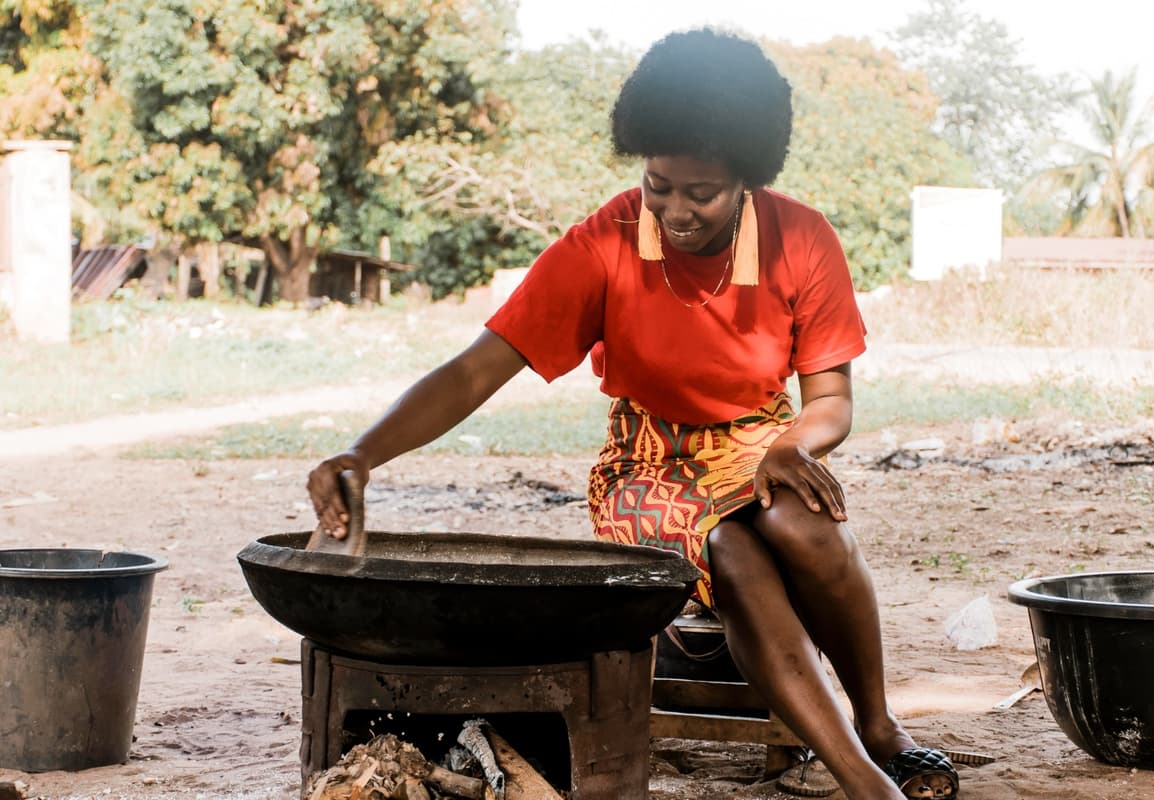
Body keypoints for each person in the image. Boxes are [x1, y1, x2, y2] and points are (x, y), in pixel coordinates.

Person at [308, 28, 959, 800]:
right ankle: (867, 782)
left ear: (748, 175)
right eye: (658, 183)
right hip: (647, 464)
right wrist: (364, 453)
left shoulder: (801, 239)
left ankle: (879, 723)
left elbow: (831, 400)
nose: (674, 211)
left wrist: (794, 444)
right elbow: (477, 368)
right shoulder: (605, 243)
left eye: (701, 192)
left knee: (802, 526)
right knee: (734, 551)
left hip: (761, 444)